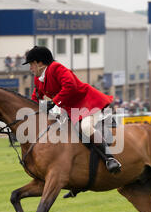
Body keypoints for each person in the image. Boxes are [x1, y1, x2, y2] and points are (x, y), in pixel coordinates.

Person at [23, 45, 121, 173]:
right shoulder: (38, 79)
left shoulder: (56, 68)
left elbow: (70, 86)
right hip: (70, 109)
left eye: (31, 64)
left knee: (85, 128)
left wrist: (54, 102)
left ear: (40, 63)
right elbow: (36, 97)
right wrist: (31, 112)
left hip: (87, 103)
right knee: (60, 134)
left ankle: (110, 159)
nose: (30, 68)